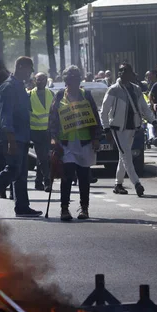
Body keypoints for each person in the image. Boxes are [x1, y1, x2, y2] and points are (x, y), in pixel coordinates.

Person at [0, 57, 42, 218]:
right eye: (28, 69)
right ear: (19, 67)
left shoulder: (18, 87)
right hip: (12, 137)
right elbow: (5, 115)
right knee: (12, 170)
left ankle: (22, 206)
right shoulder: (9, 87)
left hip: (21, 136)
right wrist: (11, 139)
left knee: (21, 172)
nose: (30, 73)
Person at [48, 66, 101, 220]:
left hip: (84, 143)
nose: (74, 83)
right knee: (67, 176)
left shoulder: (86, 95)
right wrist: (53, 138)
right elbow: (53, 119)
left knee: (84, 177)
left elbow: (95, 118)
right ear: (66, 81)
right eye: (71, 80)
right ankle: (64, 209)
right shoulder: (59, 96)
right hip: (66, 144)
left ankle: (84, 208)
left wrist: (96, 137)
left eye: (76, 79)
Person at [100, 62, 157, 197]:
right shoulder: (113, 89)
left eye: (125, 70)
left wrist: (154, 122)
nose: (122, 73)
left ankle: (118, 184)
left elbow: (145, 108)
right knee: (127, 155)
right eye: (120, 71)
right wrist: (106, 129)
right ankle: (137, 183)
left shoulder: (136, 89)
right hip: (117, 128)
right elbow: (104, 111)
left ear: (131, 73)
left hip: (132, 127)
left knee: (123, 156)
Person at [29, 72, 53, 192]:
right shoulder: (29, 95)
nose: (41, 81)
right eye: (38, 79)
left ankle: (38, 182)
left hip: (48, 131)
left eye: (43, 79)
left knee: (43, 157)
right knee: (43, 156)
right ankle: (47, 181)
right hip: (35, 131)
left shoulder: (50, 93)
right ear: (34, 81)